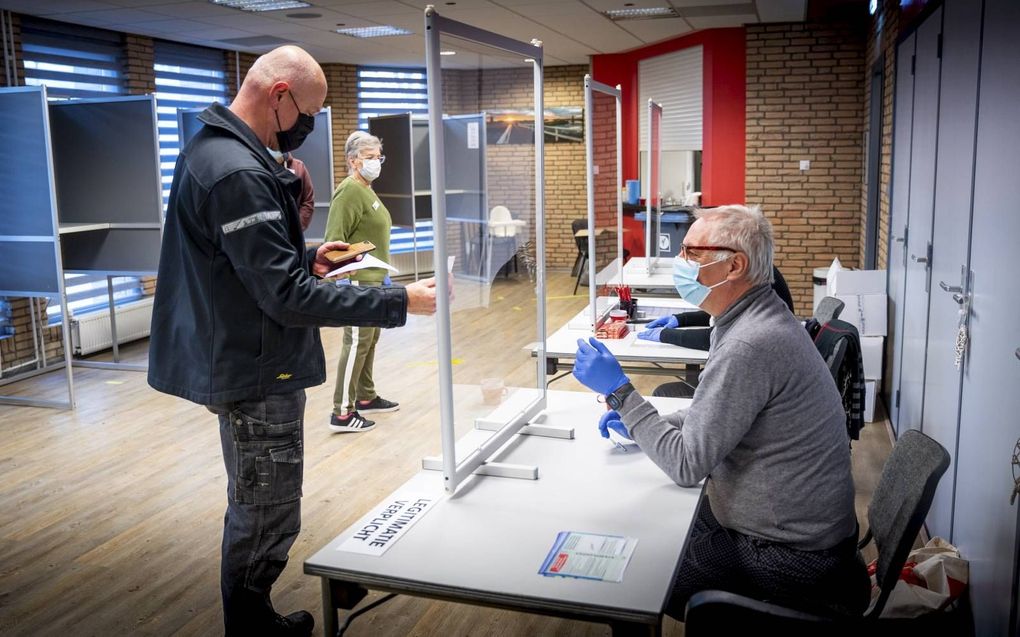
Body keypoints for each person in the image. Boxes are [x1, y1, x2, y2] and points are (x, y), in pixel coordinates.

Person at [147, 45, 439, 637]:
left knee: (263, 501)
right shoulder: (238, 171)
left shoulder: (215, 151)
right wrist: (398, 300)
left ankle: (253, 617)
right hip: (254, 367)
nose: (308, 127)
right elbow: (285, 298)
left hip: (243, 350)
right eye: (307, 112)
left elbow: (240, 266)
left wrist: (308, 257)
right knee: (265, 508)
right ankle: (251, 626)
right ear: (279, 95)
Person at [572, 205, 869, 619]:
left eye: (692, 254)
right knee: (652, 521)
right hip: (801, 535)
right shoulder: (754, 317)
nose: (680, 263)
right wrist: (647, 421)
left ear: (734, 265)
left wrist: (620, 392)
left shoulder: (751, 343)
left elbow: (686, 464)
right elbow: (720, 415)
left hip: (791, 560)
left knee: (636, 572)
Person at [324, 131, 397, 433]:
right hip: (359, 281)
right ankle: (341, 412)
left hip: (376, 278)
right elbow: (333, 242)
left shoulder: (366, 188)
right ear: (353, 160)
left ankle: (365, 396)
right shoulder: (350, 191)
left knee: (370, 339)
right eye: (369, 157)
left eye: (378, 157)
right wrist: (350, 270)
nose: (376, 162)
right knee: (355, 342)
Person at [636, 264, 794, 350]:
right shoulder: (752, 269)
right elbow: (727, 313)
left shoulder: (752, 280)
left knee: (664, 392)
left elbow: (721, 337)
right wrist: (680, 319)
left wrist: (668, 335)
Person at [266, 149, 316, 232]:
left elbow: (307, 201)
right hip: (268, 231)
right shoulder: (260, 167)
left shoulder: (298, 166)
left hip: (293, 232)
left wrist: (297, 227)